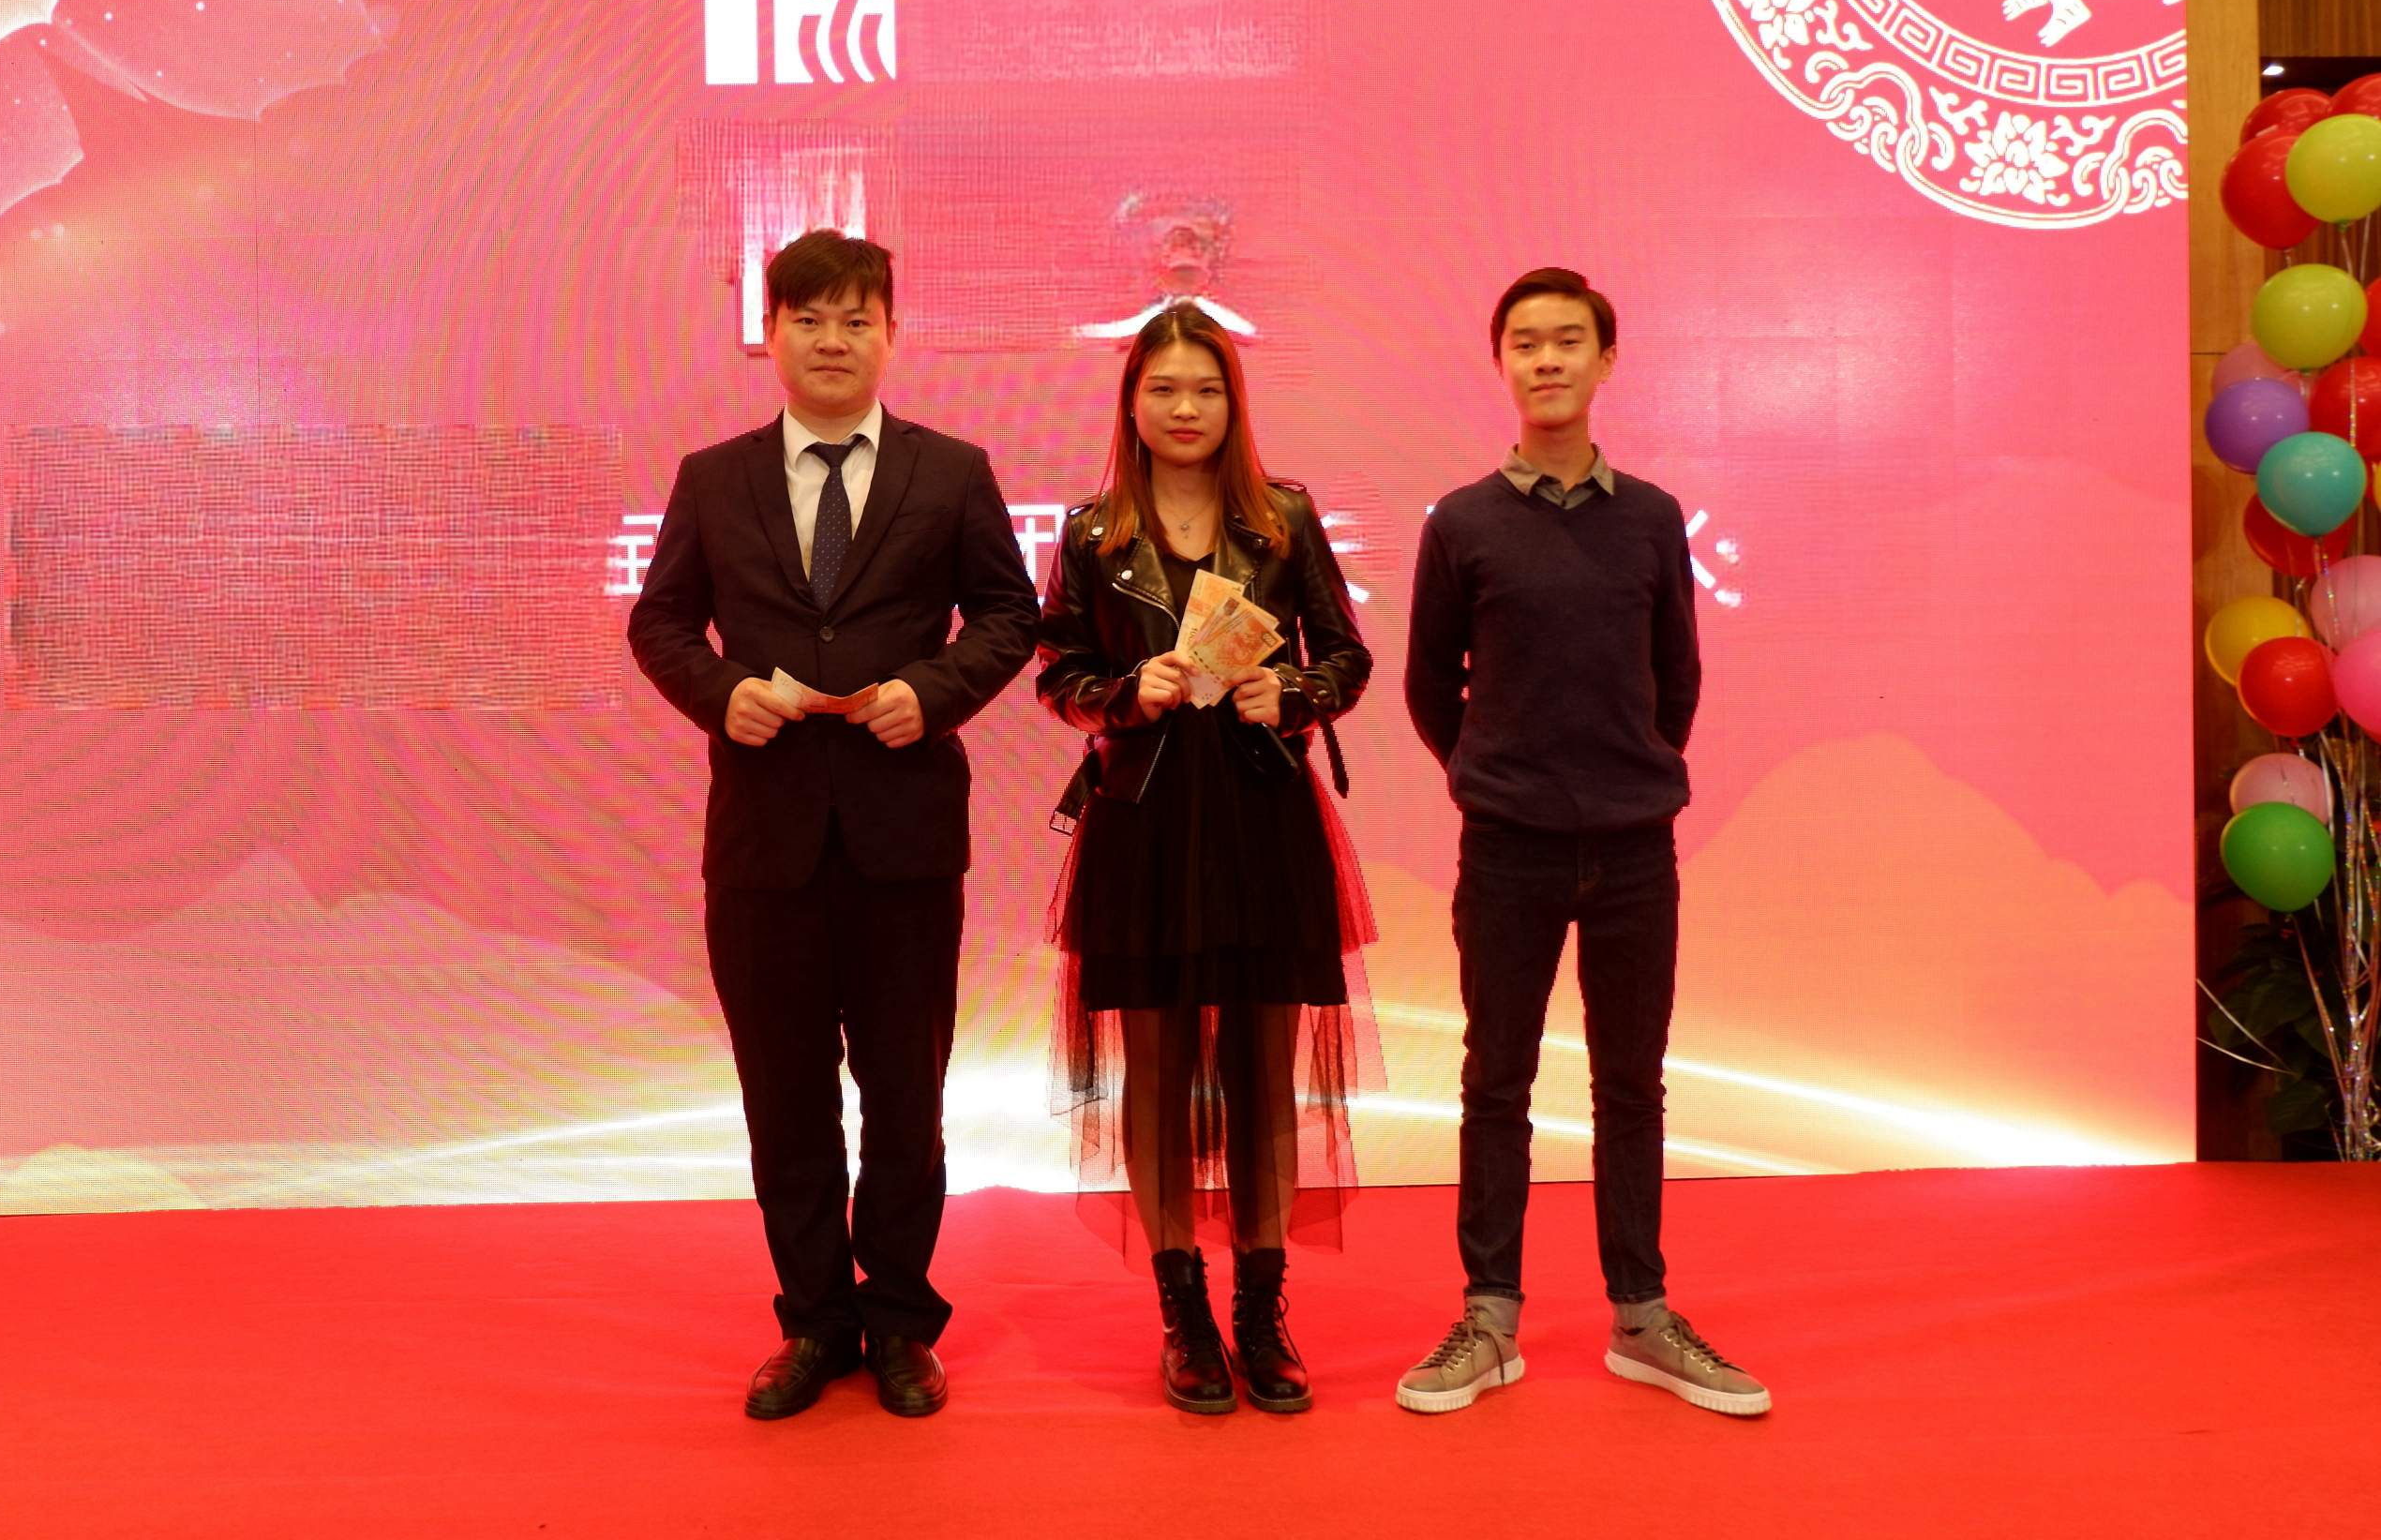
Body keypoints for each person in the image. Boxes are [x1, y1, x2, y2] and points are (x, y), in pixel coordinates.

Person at [627, 230, 1039, 1421]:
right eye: (808, 318)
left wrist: (934, 691)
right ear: (771, 334)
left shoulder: (950, 471)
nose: (832, 339)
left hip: (905, 839)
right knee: (786, 1101)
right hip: (764, 844)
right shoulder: (715, 476)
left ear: (891, 335)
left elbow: (1009, 616)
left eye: (857, 319)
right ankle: (814, 1321)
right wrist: (723, 693)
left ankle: (901, 1320)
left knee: (908, 1100)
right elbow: (661, 624)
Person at [1395, 266, 1769, 1418]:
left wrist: (1624, 771)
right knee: (1494, 1079)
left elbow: (1676, 679)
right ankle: (1489, 1316)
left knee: (1631, 1083)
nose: (1547, 359)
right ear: (1500, 363)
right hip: (1507, 845)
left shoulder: (1652, 517)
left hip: (1633, 847)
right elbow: (1428, 686)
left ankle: (1642, 1315)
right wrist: (1496, 774)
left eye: (1568, 340)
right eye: (1525, 342)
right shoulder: (1460, 522)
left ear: (1607, 361)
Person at [1035, 302, 1376, 1414]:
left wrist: (1298, 691)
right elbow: (1056, 673)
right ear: (1131, 403)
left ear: (1234, 401)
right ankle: (1182, 1310)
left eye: (1207, 388)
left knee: (1264, 1067)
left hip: (1263, 812)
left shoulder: (1284, 518)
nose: (1186, 408)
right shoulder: (1092, 534)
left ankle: (1261, 1310)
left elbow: (1348, 653)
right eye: (1164, 388)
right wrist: (1121, 693)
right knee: (1158, 1068)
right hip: (1142, 820)